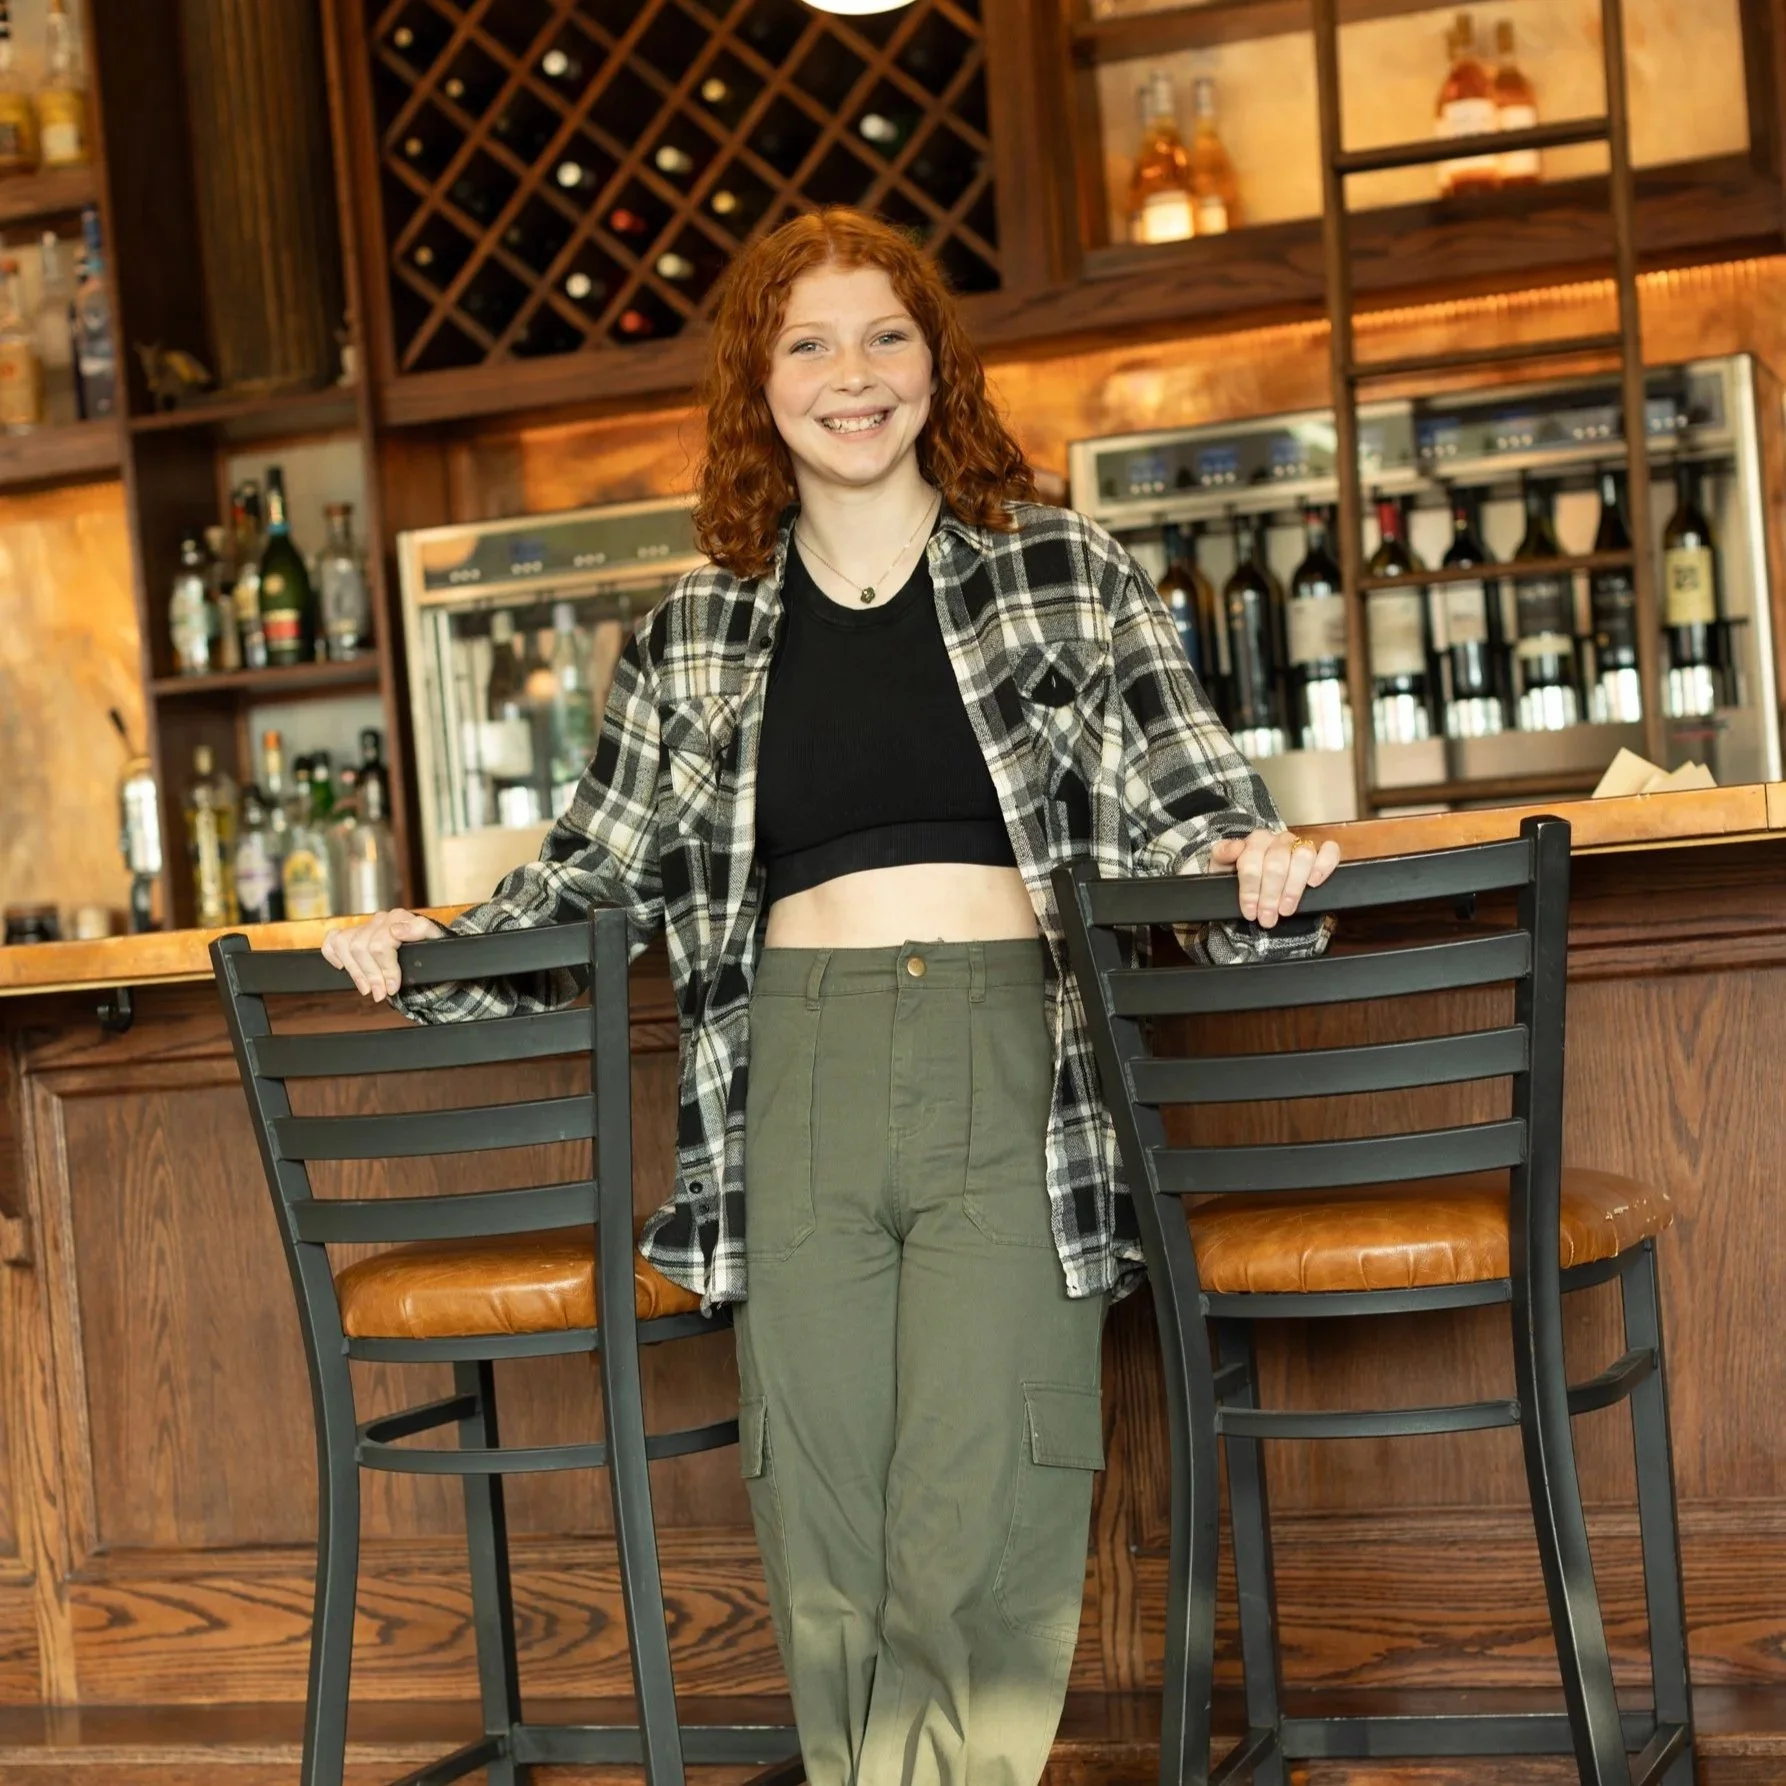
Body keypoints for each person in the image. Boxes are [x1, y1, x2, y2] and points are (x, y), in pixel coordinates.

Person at [324, 207, 1341, 1786]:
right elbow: (587, 880)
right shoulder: (692, 630)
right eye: (808, 342)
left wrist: (1249, 864)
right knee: (825, 1527)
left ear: (937, 367)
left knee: (983, 1501)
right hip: (786, 1083)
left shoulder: (1062, 568)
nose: (850, 374)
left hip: (1017, 1067)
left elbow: (1189, 814)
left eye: (885, 336)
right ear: (759, 382)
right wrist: (430, 942)